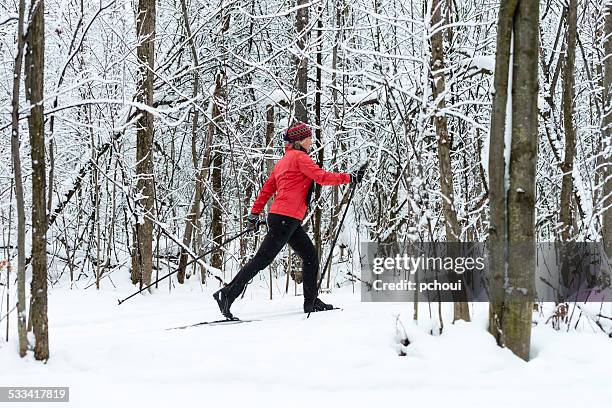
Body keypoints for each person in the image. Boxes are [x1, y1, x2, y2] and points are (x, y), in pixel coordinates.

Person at [213, 122, 367, 319]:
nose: (312, 141)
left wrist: (254, 214)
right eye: (309, 138)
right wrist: (350, 177)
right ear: (300, 140)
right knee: (262, 260)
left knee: (310, 255)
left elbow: (267, 189)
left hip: (285, 218)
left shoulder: (284, 161)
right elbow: (321, 177)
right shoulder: (300, 158)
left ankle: (311, 302)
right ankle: (226, 294)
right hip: (286, 218)